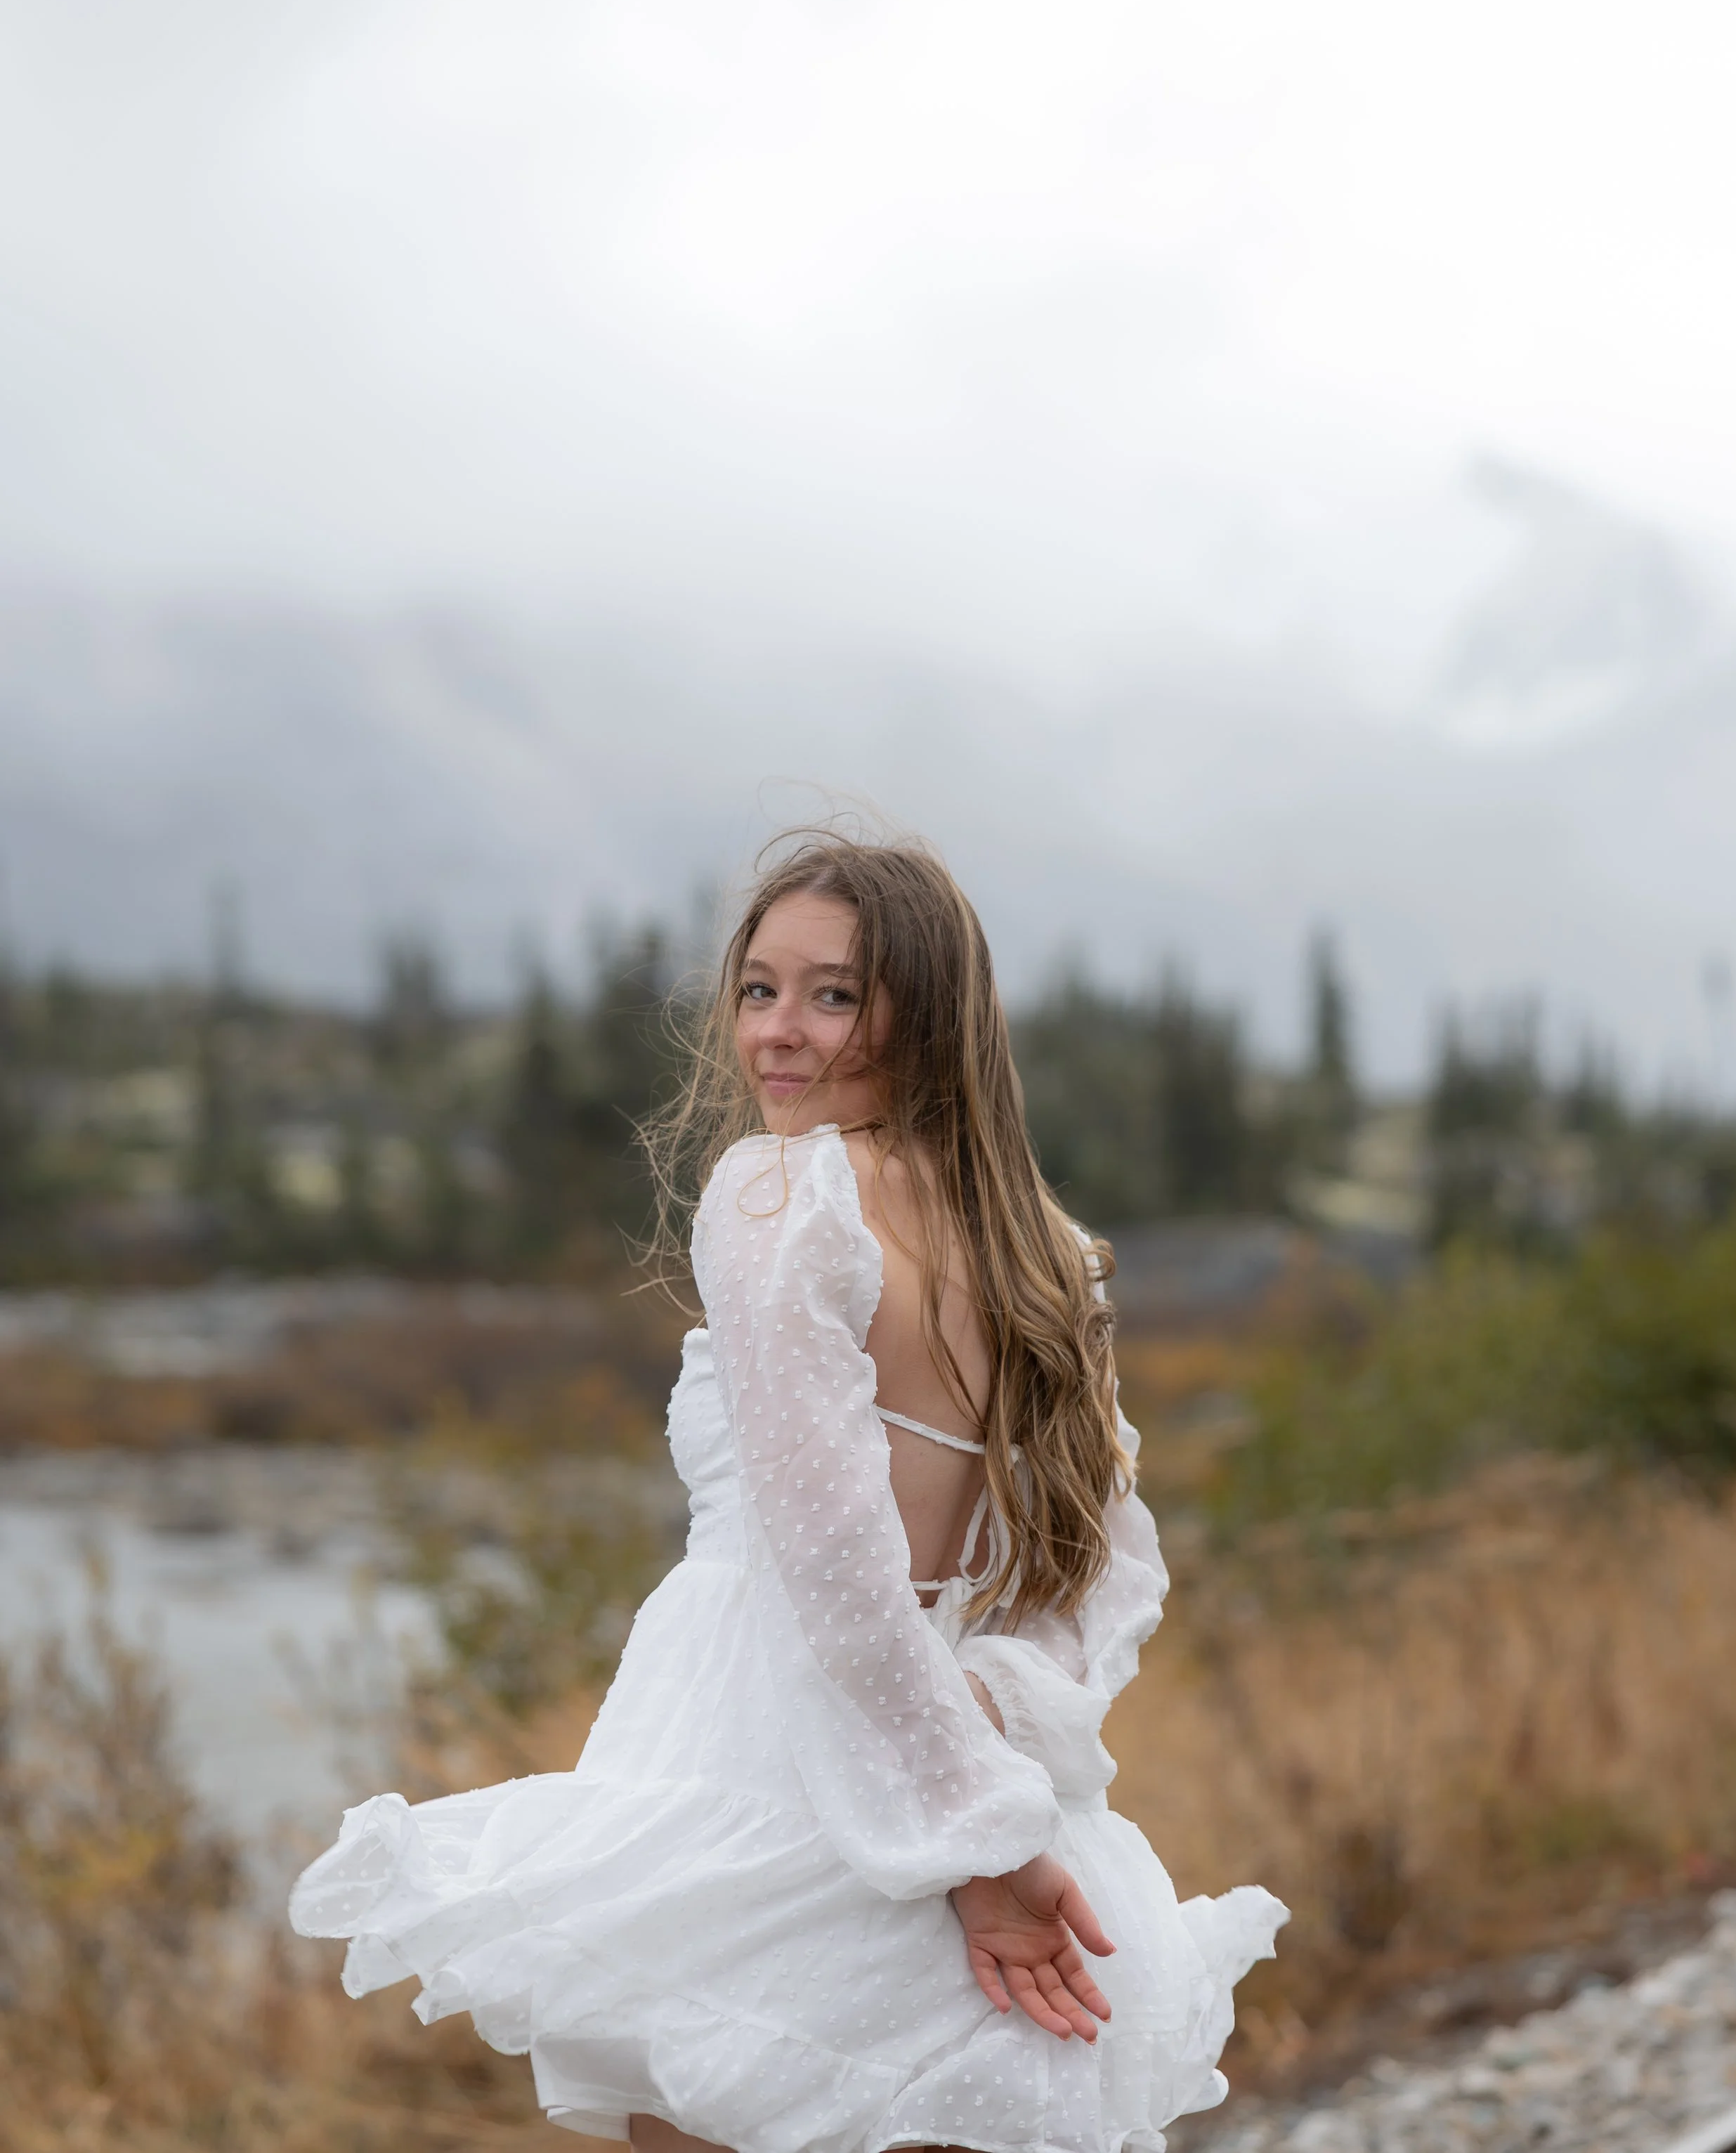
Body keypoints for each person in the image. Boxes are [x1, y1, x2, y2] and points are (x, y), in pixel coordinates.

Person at [289, 835, 1285, 2151]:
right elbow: (1099, 1576)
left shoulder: (781, 1192)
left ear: (923, 1012)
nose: (776, 1033)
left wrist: (977, 1849)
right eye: (758, 989)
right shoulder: (1044, 1245)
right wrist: (994, 1734)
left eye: (832, 993)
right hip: (960, 1761)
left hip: (766, 1762)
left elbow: (836, 1573)